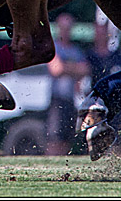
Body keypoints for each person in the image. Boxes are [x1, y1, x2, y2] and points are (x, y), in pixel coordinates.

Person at [45, 13, 90, 155]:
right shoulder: (54, 48)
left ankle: (61, 165)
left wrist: (66, 67)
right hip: (57, 98)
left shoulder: (75, 50)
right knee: (54, 136)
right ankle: (50, 164)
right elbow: (56, 69)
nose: (66, 30)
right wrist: (74, 68)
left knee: (67, 137)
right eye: (63, 27)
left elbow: (86, 69)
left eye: (68, 28)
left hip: (71, 99)